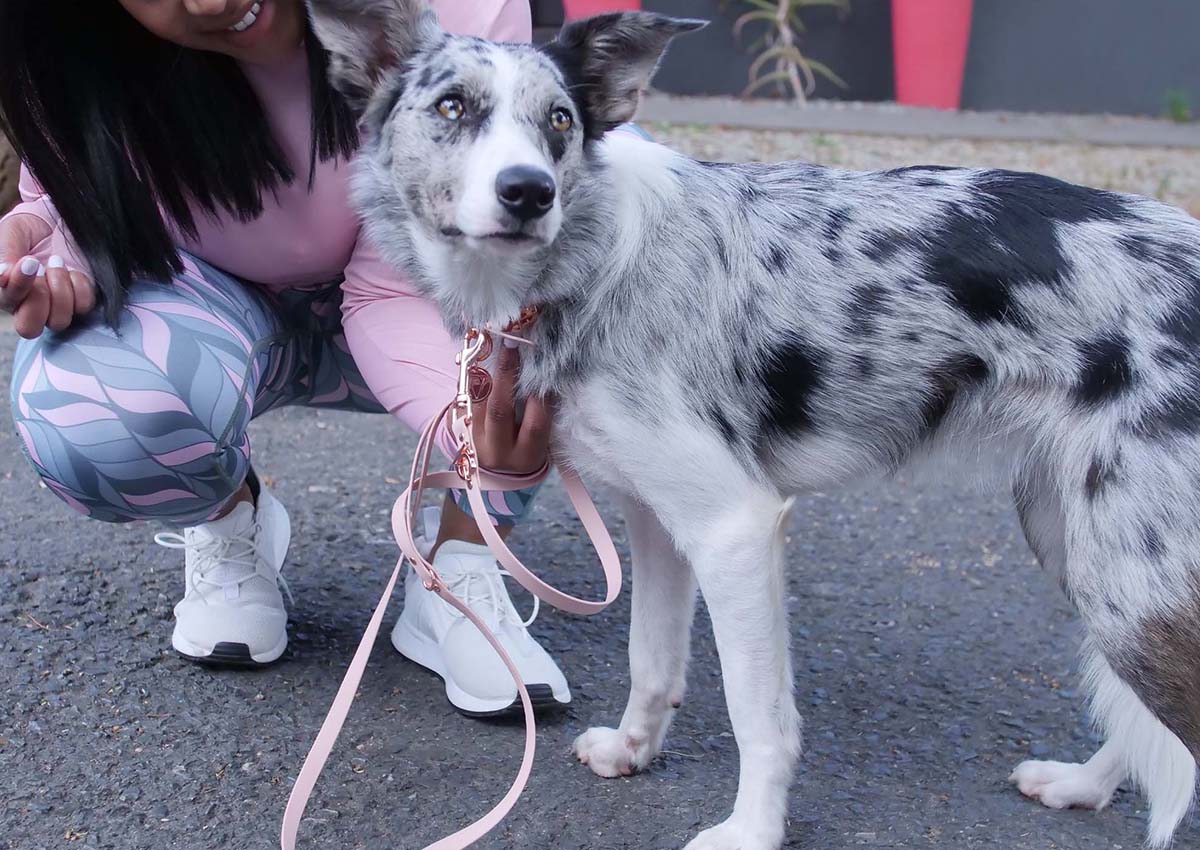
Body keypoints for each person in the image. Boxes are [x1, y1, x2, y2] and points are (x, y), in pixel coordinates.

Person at [1, 0, 569, 717]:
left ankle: (459, 563)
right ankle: (228, 517)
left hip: (418, 291)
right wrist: (55, 237)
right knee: (89, 408)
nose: (211, 2)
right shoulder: (81, 47)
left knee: (584, 250)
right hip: (210, 294)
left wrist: (476, 435)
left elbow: (393, 289)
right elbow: (72, 195)